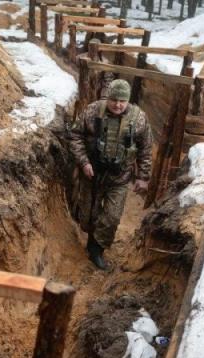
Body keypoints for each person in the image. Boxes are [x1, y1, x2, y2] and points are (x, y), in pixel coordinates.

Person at [69, 79, 153, 270]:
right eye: (114, 99)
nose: (117, 104)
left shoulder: (139, 118)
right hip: (92, 174)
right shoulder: (92, 111)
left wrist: (143, 177)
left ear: (128, 100)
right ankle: (89, 234)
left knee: (112, 217)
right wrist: (84, 162)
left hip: (120, 177)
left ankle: (97, 249)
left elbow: (146, 149)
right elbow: (75, 136)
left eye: (122, 101)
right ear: (108, 97)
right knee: (88, 215)